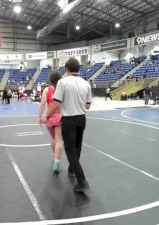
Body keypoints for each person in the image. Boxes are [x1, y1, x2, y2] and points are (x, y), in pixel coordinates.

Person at [47, 58, 92, 193]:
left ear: (66, 69)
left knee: (70, 151)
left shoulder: (62, 82)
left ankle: (82, 180)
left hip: (69, 120)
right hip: (81, 119)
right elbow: (88, 106)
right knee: (77, 148)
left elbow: (56, 104)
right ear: (78, 69)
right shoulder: (86, 84)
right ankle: (72, 169)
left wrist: (48, 115)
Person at [38, 72, 63, 174]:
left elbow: (43, 103)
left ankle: (55, 156)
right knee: (59, 140)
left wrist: (40, 116)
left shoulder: (46, 90)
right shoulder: (61, 89)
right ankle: (57, 162)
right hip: (59, 117)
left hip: (49, 117)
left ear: (50, 80)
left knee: (53, 139)